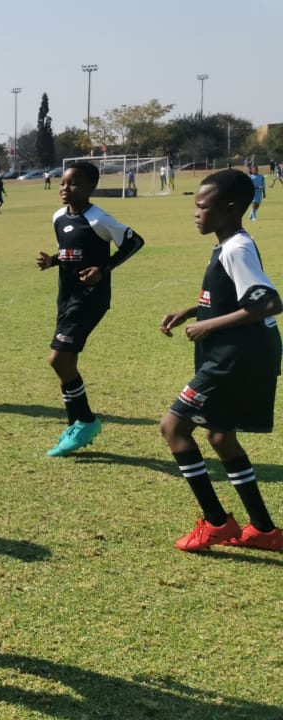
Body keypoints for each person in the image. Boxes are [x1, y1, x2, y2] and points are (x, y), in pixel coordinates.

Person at [159, 169, 282, 553]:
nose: (196, 213)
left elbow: (269, 302)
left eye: (203, 207)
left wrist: (208, 325)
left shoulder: (236, 248)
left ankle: (216, 523)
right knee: (220, 435)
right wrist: (193, 310)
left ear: (229, 209)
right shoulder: (230, 243)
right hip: (244, 355)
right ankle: (264, 531)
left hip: (237, 359)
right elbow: (237, 297)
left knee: (173, 427)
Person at [35, 161, 145, 457]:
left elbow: (135, 242)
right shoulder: (58, 217)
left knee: (58, 359)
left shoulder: (99, 219)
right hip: (66, 297)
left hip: (90, 298)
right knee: (66, 363)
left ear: (90, 188)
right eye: (62, 182)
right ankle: (75, 426)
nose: (65, 188)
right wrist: (53, 261)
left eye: (73, 183)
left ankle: (85, 421)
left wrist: (103, 270)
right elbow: (72, 252)